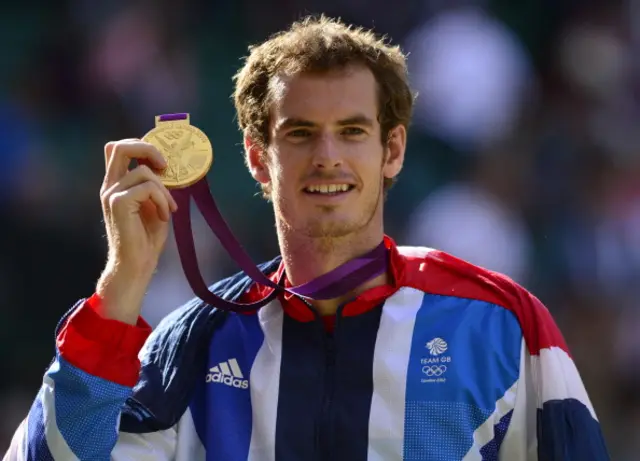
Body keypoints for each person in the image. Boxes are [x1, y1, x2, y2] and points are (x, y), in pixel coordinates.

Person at [4, 16, 610, 461]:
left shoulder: (501, 325)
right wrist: (122, 284)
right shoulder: (194, 344)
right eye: (299, 134)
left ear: (392, 151)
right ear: (257, 160)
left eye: (351, 131)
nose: (327, 157)